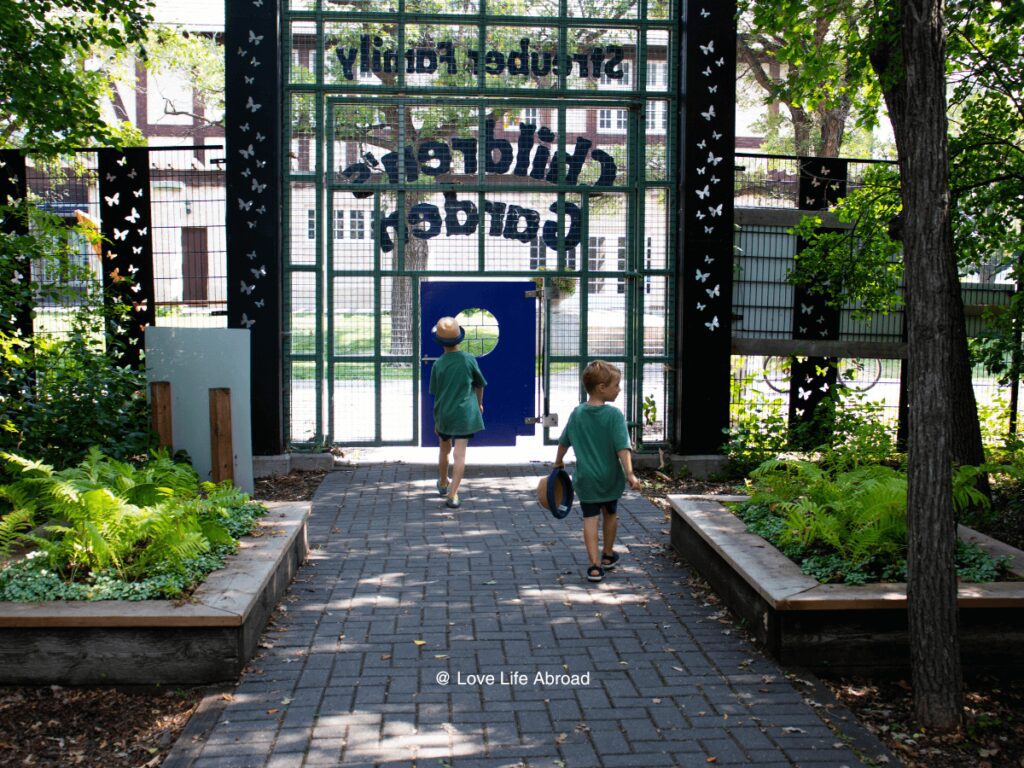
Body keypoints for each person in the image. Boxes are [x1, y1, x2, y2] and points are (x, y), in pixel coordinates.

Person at [553, 360, 640, 583]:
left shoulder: (577, 413)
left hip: (586, 479)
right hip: (610, 477)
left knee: (590, 519)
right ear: (602, 388)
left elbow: (564, 441)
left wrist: (558, 462)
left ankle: (594, 566)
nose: (619, 389)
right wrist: (629, 473)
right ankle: (608, 555)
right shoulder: (614, 415)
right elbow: (622, 448)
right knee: (610, 513)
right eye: (616, 385)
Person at [429, 316, 487, 509]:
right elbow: (480, 385)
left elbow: (436, 393)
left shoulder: (439, 364)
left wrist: (437, 419)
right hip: (464, 414)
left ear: (440, 342)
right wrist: (479, 404)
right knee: (460, 455)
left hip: (445, 414)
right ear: (459, 338)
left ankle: (443, 482)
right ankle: (453, 494)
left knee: (444, 449)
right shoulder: (468, 360)